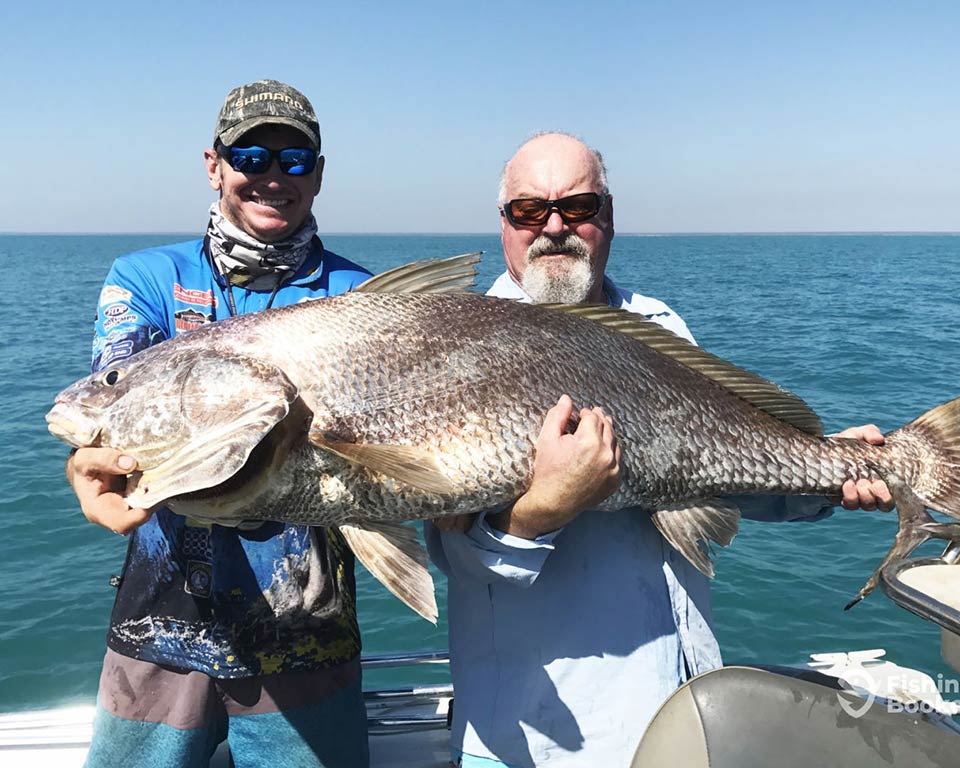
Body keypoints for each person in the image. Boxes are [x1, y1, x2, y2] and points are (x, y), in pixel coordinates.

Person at [425, 131, 892, 768]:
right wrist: (544, 510)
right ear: (505, 225)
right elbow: (453, 556)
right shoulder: (462, 346)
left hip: (684, 716)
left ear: (608, 216)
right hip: (538, 740)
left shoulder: (658, 323)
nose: (555, 227)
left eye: (579, 207)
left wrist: (827, 478)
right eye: (530, 211)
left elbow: (719, 475)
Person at [66, 80, 372, 768]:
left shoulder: (358, 298)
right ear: (215, 164)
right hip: (157, 636)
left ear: (318, 175)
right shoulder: (145, 278)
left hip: (309, 641)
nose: (272, 177)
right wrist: (84, 464)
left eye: (295, 161)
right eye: (252, 156)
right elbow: (118, 407)